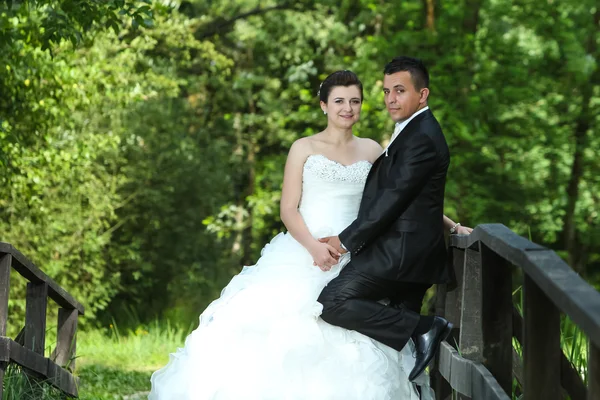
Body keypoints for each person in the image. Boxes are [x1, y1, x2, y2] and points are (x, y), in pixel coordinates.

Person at [149, 69, 470, 400]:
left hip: (356, 251)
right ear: (324, 106)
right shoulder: (303, 147)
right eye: (339, 101)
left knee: (349, 319)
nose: (348, 108)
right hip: (306, 249)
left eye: (355, 101)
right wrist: (313, 249)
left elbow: (403, 199)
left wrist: (452, 225)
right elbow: (288, 209)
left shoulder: (373, 150)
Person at [318, 56, 459, 382]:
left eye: (399, 90)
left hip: (402, 251)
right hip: (406, 248)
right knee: (398, 355)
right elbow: (415, 196)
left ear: (422, 95)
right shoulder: (413, 130)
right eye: (385, 91)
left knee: (333, 302)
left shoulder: (421, 136)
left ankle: (426, 327)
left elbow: (391, 201)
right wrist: (450, 224)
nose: (390, 99)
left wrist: (344, 241)